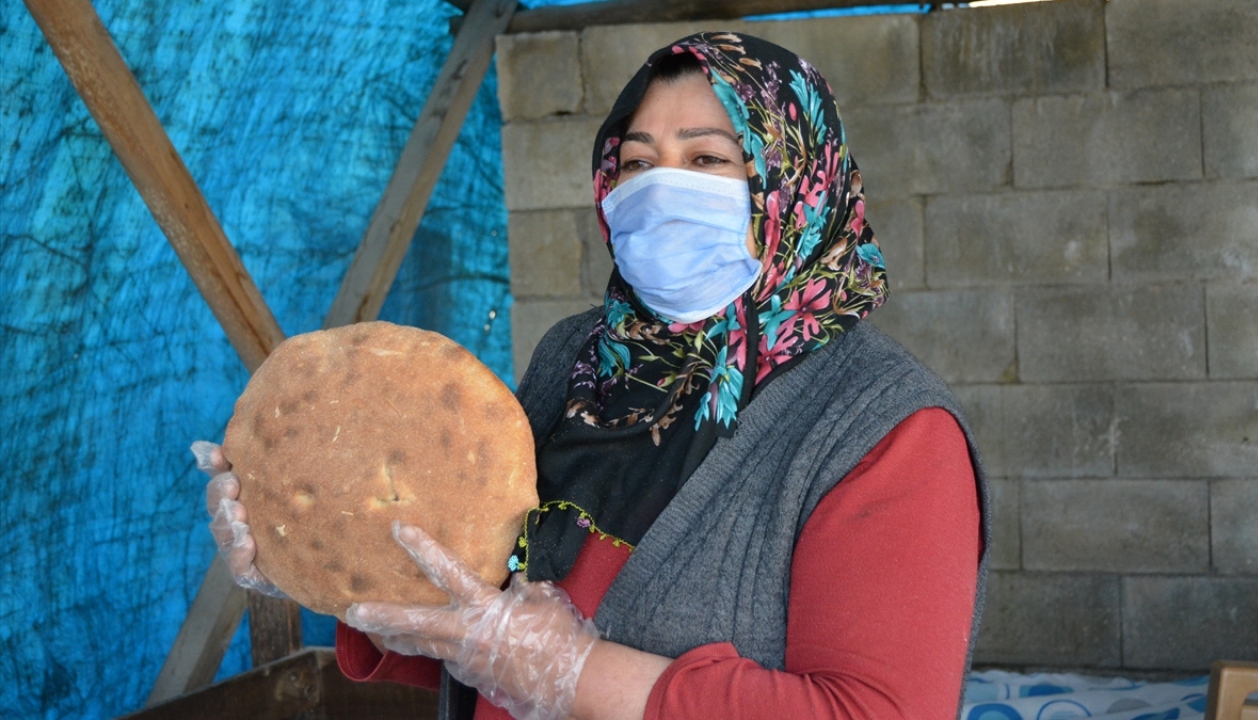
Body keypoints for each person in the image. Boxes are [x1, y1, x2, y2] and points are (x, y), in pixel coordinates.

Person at [197, 32, 987, 720]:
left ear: (797, 186)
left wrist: (580, 677)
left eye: (707, 158)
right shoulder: (578, 359)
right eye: (637, 162)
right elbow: (478, 619)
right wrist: (326, 563)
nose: (660, 187)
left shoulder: (885, 430)